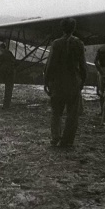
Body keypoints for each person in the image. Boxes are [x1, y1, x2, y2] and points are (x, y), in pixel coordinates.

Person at [44, 18, 87, 147]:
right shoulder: (79, 43)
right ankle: (67, 141)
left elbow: (50, 64)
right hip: (73, 82)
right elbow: (83, 66)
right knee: (72, 114)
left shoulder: (56, 43)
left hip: (57, 83)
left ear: (62, 28)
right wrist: (82, 81)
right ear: (73, 28)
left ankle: (55, 137)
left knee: (56, 112)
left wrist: (46, 81)